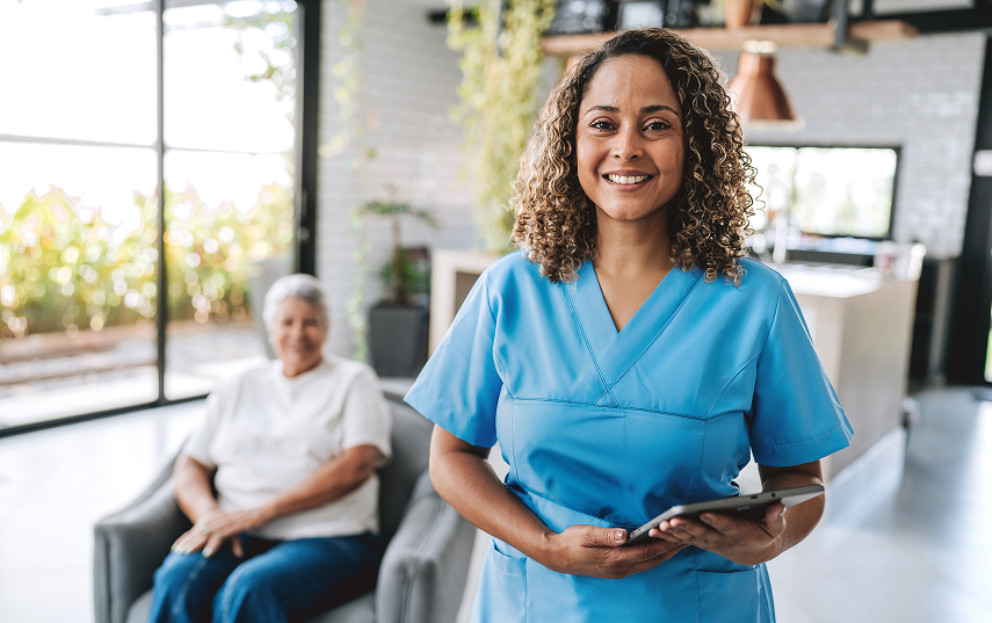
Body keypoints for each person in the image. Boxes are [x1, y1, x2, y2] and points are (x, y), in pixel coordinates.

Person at [404, 28, 853, 622]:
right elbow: (453, 458)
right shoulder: (508, 291)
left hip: (694, 605)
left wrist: (767, 540)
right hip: (536, 601)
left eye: (657, 124)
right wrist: (545, 548)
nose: (627, 147)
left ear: (697, 144)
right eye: (603, 123)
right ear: (571, 141)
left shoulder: (757, 302)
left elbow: (800, 481)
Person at [149, 274, 392, 623]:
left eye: (310, 322)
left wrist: (261, 512)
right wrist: (209, 518)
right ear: (270, 328)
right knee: (177, 580)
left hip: (330, 535)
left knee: (247, 589)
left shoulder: (354, 380)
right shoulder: (239, 384)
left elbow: (357, 464)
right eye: (287, 322)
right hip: (237, 531)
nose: (298, 334)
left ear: (325, 327)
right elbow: (190, 464)